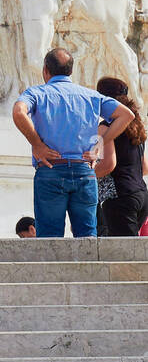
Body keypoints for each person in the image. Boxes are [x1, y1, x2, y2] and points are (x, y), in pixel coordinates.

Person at [13, 48, 133, 237]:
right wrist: (100, 143)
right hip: (84, 172)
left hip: (51, 170)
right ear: (71, 71)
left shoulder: (37, 93)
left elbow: (19, 112)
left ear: (45, 70)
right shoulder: (90, 96)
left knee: (50, 239)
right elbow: (127, 115)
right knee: (87, 237)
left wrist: (37, 144)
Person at [94, 77, 148, 237]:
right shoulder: (137, 127)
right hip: (142, 195)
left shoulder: (105, 127)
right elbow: (144, 167)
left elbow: (108, 165)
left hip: (120, 197)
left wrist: (85, 175)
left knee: (124, 258)